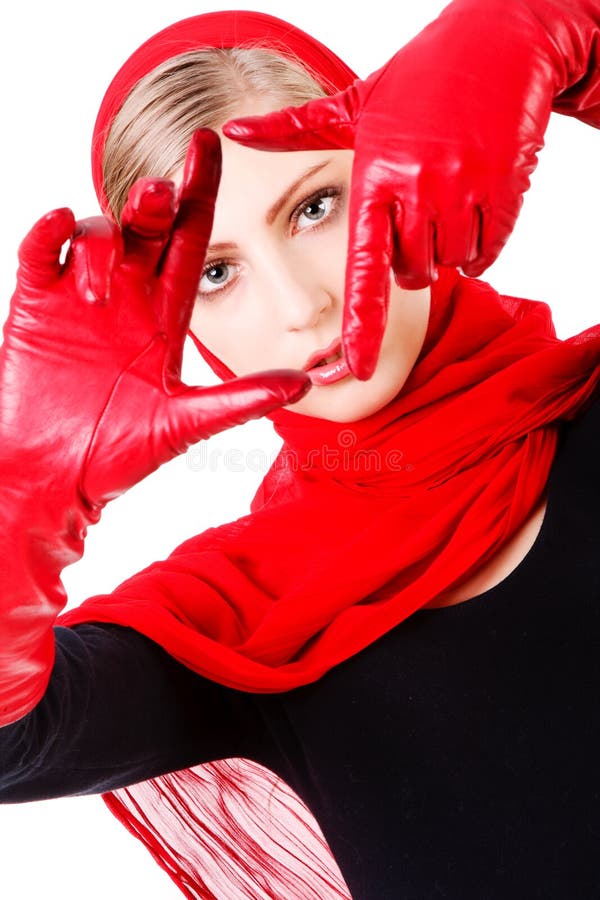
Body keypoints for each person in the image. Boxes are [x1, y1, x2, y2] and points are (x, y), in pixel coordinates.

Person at [1, 5, 599, 900]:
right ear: (172, 321)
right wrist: (23, 497)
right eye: (214, 269)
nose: (299, 307)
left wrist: (564, 27)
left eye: (316, 206)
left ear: (402, 163)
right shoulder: (243, 619)